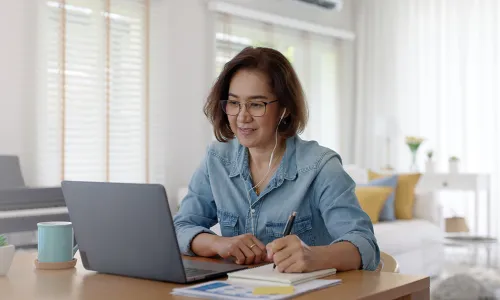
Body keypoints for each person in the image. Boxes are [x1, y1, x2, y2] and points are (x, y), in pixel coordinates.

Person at [173, 46, 380, 272]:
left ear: (284, 109)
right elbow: (181, 226)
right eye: (234, 103)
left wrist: (314, 256)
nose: (242, 117)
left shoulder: (321, 167)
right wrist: (218, 243)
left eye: (256, 104)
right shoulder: (217, 159)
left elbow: (365, 244)